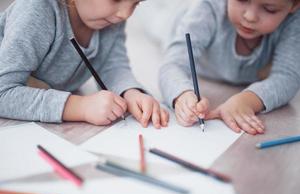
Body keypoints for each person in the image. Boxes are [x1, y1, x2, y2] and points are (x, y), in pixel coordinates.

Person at [0, 0, 169, 129]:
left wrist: (130, 93)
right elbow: (3, 93)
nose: (125, 14)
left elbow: (113, 66)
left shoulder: (111, 18)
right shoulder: (35, 9)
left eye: (136, 3)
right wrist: (81, 107)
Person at [160, 0, 300, 134]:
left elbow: (288, 76)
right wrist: (181, 94)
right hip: (173, 21)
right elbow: (172, 64)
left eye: (270, 9)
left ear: (294, 5)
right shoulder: (207, 9)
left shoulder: (294, 22)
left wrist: (247, 101)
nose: (250, 17)